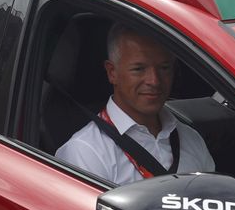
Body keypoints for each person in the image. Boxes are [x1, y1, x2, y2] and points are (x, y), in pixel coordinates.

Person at [56, 23, 214, 185]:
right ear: (112, 72)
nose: (154, 81)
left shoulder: (191, 139)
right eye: (139, 69)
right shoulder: (86, 152)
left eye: (164, 68)